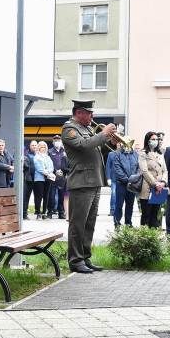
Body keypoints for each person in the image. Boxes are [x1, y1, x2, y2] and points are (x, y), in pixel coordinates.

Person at [62, 100, 116, 273]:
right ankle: (75, 260)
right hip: (81, 182)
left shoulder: (86, 129)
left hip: (94, 181)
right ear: (79, 113)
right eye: (89, 113)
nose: (92, 116)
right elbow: (84, 146)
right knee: (78, 224)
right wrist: (103, 134)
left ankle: (85, 257)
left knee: (89, 223)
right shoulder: (69, 129)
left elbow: (99, 149)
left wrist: (111, 141)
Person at [138, 132, 167, 228]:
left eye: (156, 139)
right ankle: (144, 238)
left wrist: (163, 182)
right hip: (148, 187)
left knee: (155, 216)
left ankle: (153, 238)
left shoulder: (160, 153)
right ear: (148, 140)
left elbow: (165, 170)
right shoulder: (143, 153)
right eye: (153, 139)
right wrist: (155, 184)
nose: (155, 141)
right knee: (146, 214)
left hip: (159, 189)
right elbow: (144, 171)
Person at [112, 143, 139, 227]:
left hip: (132, 184)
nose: (126, 144)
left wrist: (134, 179)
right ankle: (117, 222)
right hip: (121, 184)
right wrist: (127, 180)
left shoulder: (135, 154)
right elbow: (117, 168)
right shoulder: (118, 154)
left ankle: (128, 222)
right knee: (119, 204)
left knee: (130, 205)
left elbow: (138, 168)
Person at [47, 134, 68, 218]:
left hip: (63, 176)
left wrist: (63, 171)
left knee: (61, 195)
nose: (57, 142)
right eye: (55, 141)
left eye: (58, 140)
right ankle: (50, 212)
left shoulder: (64, 151)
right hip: (53, 176)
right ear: (53, 142)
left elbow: (67, 163)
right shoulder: (50, 151)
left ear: (61, 141)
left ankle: (61, 212)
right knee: (51, 195)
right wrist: (56, 171)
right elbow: (48, 163)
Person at [32, 142, 55, 219]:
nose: (43, 148)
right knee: (39, 196)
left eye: (44, 147)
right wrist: (46, 172)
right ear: (38, 148)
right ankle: (38, 212)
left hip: (48, 179)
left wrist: (48, 173)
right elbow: (38, 168)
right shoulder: (36, 157)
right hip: (39, 179)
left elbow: (51, 167)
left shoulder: (48, 157)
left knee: (46, 196)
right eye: (41, 147)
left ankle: (44, 212)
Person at [22, 141, 38, 219]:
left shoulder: (39, 155)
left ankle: (38, 213)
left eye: (35, 145)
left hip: (38, 179)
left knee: (38, 197)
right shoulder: (26, 155)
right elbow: (26, 166)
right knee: (26, 197)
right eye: (32, 145)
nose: (34, 146)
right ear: (30, 146)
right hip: (29, 179)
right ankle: (24, 213)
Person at [106, 146, 119, 216]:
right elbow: (108, 166)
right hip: (113, 179)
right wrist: (108, 178)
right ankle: (112, 210)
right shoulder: (111, 154)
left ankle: (119, 210)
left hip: (122, 179)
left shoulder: (124, 154)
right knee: (113, 194)